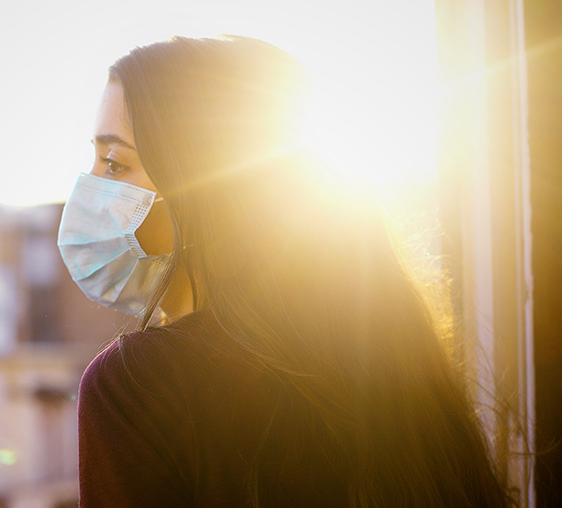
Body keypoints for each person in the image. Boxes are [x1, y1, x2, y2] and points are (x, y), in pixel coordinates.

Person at [58, 35, 514, 507]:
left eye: (113, 164)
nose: (87, 187)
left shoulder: (134, 388)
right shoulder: (386, 352)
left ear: (204, 187)